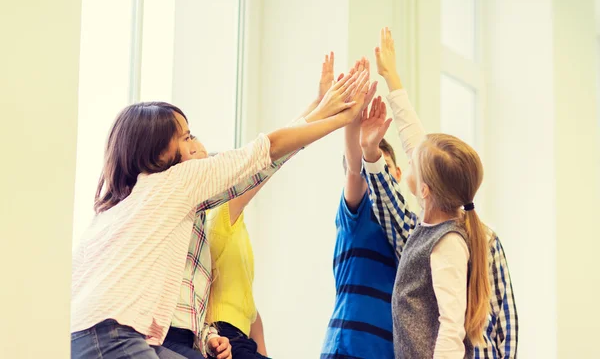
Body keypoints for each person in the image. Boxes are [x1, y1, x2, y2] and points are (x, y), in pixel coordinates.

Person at [70, 67, 372, 359]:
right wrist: (338, 118)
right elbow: (263, 153)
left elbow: (260, 161)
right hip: (115, 333)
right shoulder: (175, 182)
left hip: (80, 334)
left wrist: (206, 335)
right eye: (187, 138)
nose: (198, 145)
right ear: (159, 153)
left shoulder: (118, 211)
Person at [361, 27, 518, 358]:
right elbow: (416, 141)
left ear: (425, 189)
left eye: (414, 161)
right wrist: (392, 79)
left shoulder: (451, 242)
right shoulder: (438, 220)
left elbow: (453, 328)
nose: (410, 153)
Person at [320, 57, 400, 359]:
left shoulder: (409, 226)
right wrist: (354, 118)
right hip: (347, 347)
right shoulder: (358, 214)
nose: (377, 178)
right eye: (373, 170)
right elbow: (356, 170)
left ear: (399, 174)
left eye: (384, 168)